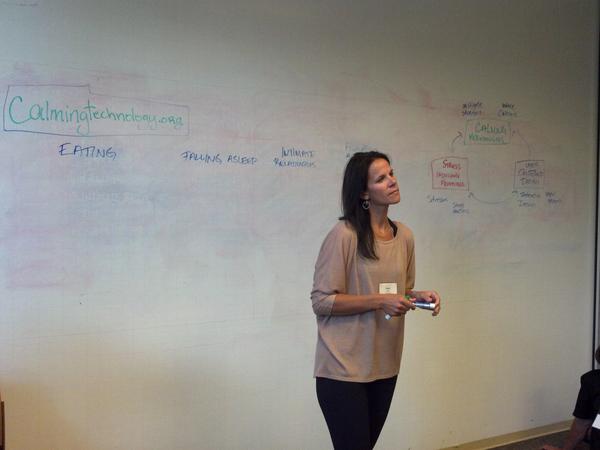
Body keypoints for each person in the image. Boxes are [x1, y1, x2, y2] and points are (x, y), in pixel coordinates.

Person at [310, 150, 441, 450]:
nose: (392, 181)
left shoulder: (404, 236)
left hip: (384, 366)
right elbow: (322, 301)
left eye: (391, 174)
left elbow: (401, 291)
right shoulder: (344, 234)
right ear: (364, 193)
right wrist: (380, 301)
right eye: (381, 178)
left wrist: (419, 297)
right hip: (343, 371)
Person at [541, 346, 600, 450]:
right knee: (591, 430)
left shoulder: (592, 380)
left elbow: (581, 425)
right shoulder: (591, 380)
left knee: (589, 430)